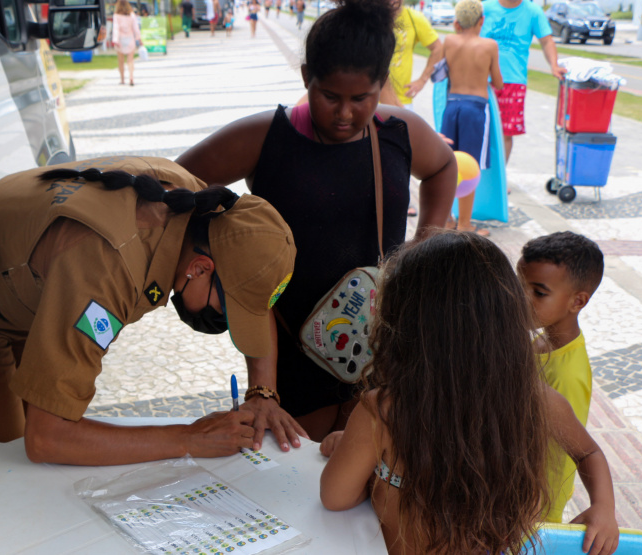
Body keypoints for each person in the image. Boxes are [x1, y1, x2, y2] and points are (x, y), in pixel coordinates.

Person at [176, 0, 457, 447]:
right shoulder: (265, 138)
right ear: (307, 76)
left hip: (379, 352)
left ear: (381, 85)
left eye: (361, 99)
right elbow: (173, 188)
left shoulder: (399, 134)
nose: (344, 114)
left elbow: (443, 168)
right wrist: (215, 257)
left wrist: (425, 245)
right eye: (329, 96)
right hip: (288, 359)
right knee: (296, 482)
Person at [0, 156, 299, 465]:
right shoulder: (108, 266)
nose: (226, 323)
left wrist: (263, 393)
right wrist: (187, 438)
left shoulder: (205, 211)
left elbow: (250, 284)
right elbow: (47, 437)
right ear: (199, 268)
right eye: (230, 311)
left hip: (26, 290)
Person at [319, 231, 620, 555]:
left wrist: (367, 463)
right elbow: (589, 452)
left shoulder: (383, 411)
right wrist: (604, 507)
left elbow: (335, 497)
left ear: (402, 323)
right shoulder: (535, 399)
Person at [518, 231, 605, 524]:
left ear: (577, 302)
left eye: (539, 293)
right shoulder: (541, 340)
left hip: (533, 509)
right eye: (519, 286)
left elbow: (569, 451)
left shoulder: (568, 374)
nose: (521, 298)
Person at [441, 0, 503, 236]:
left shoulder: (449, 41)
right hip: (475, 109)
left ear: (457, 23)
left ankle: (447, 220)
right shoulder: (489, 45)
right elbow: (498, 82)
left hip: (451, 107)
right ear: (482, 21)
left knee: (448, 163)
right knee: (469, 165)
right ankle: (465, 224)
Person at [480, 0, 566, 162]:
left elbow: (546, 41)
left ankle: (500, 182)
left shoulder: (533, 12)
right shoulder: (485, 8)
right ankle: (477, 179)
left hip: (513, 81)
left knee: (506, 134)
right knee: (479, 132)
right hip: (481, 80)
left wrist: (554, 66)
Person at [380, 0, 443, 111]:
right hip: (370, 99)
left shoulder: (413, 18)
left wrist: (422, 81)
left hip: (402, 100)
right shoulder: (371, 18)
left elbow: (438, 48)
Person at [112, 0, 141, 86]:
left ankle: (122, 79)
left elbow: (116, 28)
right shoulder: (132, 15)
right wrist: (138, 38)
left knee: (121, 61)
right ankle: (131, 77)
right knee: (130, 60)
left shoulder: (116, 15)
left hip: (120, 39)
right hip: (130, 39)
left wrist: (115, 40)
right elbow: (135, 27)